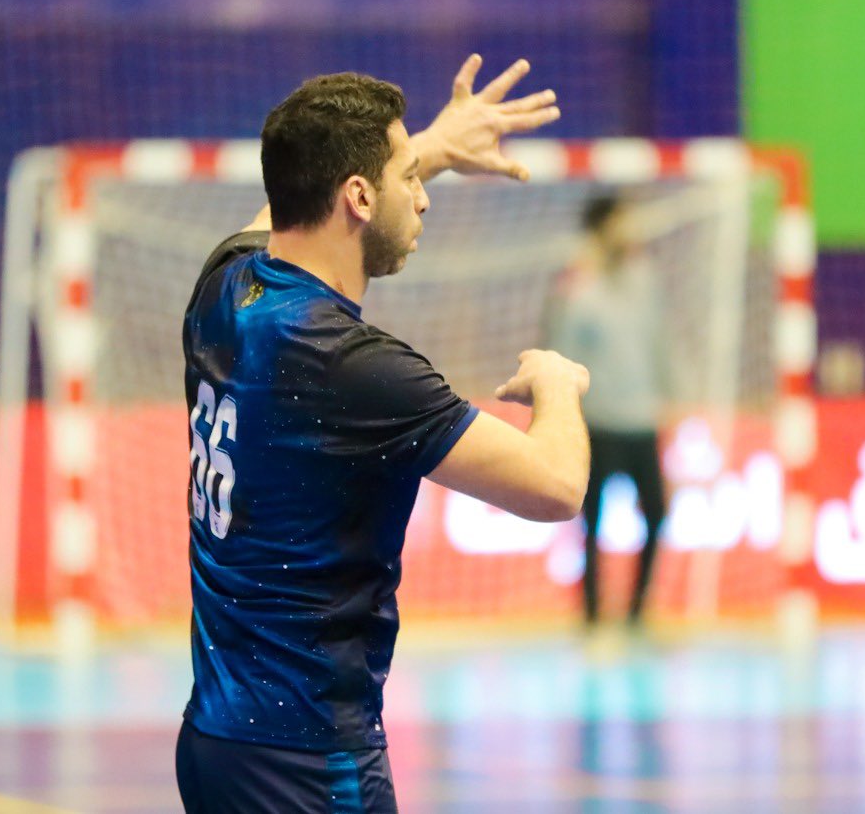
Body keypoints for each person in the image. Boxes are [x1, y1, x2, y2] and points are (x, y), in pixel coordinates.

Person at [175, 55, 592, 813]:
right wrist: (557, 383)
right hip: (311, 762)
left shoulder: (224, 285)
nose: (424, 196)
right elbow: (557, 487)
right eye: (410, 177)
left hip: (214, 746)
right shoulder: (354, 365)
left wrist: (435, 143)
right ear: (360, 196)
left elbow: (283, 211)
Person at [547, 193, 668, 630]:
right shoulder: (577, 290)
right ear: (601, 231)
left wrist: (669, 396)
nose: (630, 232)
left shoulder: (645, 279)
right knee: (590, 522)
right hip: (598, 422)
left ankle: (637, 612)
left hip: (641, 419)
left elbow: (657, 343)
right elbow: (560, 354)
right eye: (620, 222)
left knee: (657, 514)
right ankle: (593, 616)